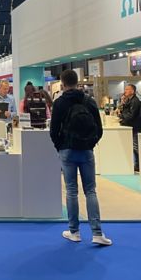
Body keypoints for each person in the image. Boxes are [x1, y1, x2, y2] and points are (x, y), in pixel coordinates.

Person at [49, 69, 111, 246]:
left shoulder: (59, 103)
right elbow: (99, 129)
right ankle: (97, 233)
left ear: (62, 84)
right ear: (77, 82)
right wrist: (89, 144)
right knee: (90, 191)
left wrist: (61, 147)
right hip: (86, 150)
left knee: (71, 191)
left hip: (67, 151)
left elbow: (53, 130)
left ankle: (74, 232)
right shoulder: (89, 101)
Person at [118, 83, 141, 172]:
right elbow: (125, 111)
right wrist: (123, 103)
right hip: (130, 126)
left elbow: (131, 115)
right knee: (133, 146)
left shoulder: (135, 101)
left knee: (135, 146)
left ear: (132, 91)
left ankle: (138, 165)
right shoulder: (129, 101)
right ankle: (136, 164)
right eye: (125, 89)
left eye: (127, 89)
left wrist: (121, 117)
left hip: (135, 127)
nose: (125, 91)